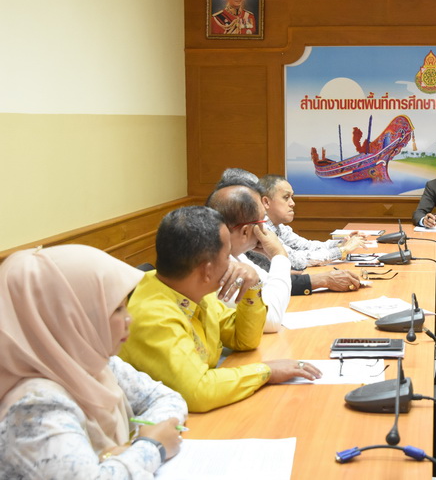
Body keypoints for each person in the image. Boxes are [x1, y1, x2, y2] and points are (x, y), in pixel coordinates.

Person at [0, 245, 188, 478]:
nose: (129, 319)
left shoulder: (92, 362)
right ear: (69, 319)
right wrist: (151, 446)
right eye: (116, 309)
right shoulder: (35, 406)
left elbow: (165, 397)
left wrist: (127, 451)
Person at [118, 207, 321, 413]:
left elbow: (243, 339)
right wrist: (266, 371)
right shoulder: (154, 315)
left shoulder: (193, 289)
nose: (232, 262)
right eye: (227, 255)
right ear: (207, 270)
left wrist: (252, 285)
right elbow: (198, 391)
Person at [215, 169, 363, 296]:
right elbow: (291, 269)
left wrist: (340, 245)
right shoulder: (247, 234)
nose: (292, 203)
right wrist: (340, 252)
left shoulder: (239, 248)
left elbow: (269, 280)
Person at [206, 184, 292, 332]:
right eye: (262, 222)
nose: (265, 229)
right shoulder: (217, 266)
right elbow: (270, 318)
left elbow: (269, 289)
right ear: (245, 231)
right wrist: (279, 255)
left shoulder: (236, 255)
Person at [259, 174, 366, 271]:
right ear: (266, 202)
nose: (292, 203)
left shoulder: (278, 226)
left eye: (292, 197)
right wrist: (342, 250)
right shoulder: (261, 229)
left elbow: (307, 246)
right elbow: (296, 261)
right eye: (286, 197)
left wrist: (342, 243)